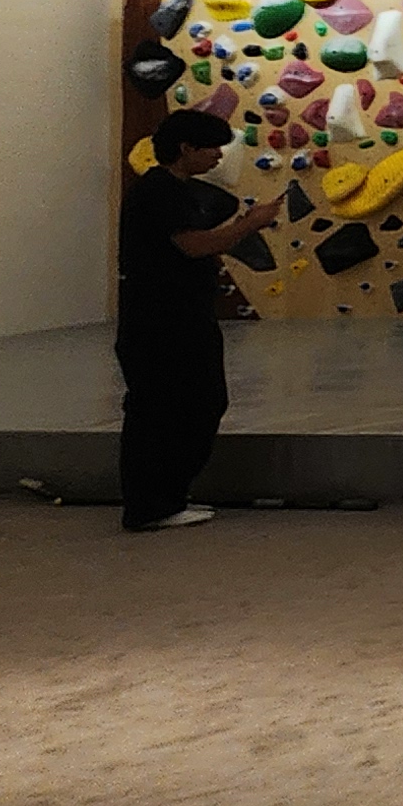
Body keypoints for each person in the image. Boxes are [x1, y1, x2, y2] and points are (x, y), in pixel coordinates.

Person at [113, 109, 285, 534]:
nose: (218, 157)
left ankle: (167, 496)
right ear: (186, 148)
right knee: (165, 409)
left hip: (183, 315)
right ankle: (151, 505)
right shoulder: (158, 192)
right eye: (211, 148)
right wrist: (249, 224)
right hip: (161, 321)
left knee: (198, 402)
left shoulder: (177, 191)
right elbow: (194, 245)